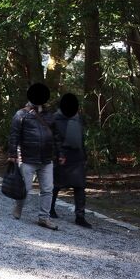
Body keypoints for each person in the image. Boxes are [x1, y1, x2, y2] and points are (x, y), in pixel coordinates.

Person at [8, 83, 58, 230]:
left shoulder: (49, 115)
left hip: (46, 159)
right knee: (26, 188)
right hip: (27, 157)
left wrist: (59, 153)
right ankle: (18, 207)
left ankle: (44, 218)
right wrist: (12, 154)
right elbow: (14, 135)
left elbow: (56, 136)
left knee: (48, 189)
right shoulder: (21, 114)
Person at [50, 93, 92, 228]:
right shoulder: (55, 119)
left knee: (80, 186)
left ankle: (80, 216)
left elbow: (81, 138)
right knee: (56, 185)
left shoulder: (78, 118)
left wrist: (85, 154)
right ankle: (50, 208)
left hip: (77, 156)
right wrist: (59, 154)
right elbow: (55, 139)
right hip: (62, 156)